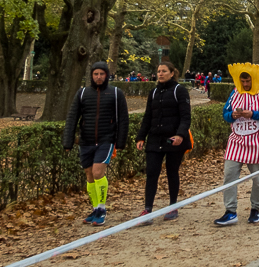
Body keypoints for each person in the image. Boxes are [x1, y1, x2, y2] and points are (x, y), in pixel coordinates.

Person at [62, 62, 129, 226]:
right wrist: (68, 141)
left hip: (106, 140)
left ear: (107, 75)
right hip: (86, 140)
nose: (98, 77)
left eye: (102, 74)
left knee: (98, 172)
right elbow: (72, 118)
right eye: (95, 74)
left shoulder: (115, 93)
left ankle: (101, 209)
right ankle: (94, 208)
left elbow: (123, 119)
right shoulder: (82, 93)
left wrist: (120, 141)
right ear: (91, 76)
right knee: (89, 175)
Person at [216, 64, 259, 226]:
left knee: (258, 179)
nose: (245, 84)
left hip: (258, 142)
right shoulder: (235, 92)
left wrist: (253, 114)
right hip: (236, 142)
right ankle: (230, 212)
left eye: (248, 81)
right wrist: (233, 115)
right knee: (229, 176)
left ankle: (255, 209)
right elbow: (225, 113)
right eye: (242, 81)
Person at [135, 61, 192, 222]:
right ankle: (148, 210)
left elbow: (185, 116)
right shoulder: (153, 92)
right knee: (152, 173)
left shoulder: (179, 91)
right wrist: (140, 137)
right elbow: (147, 117)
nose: (160, 74)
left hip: (173, 140)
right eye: (158, 71)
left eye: (164, 71)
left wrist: (180, 135)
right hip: (155, 138)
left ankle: (172, 206)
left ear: (172, 73)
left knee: (171, 172)